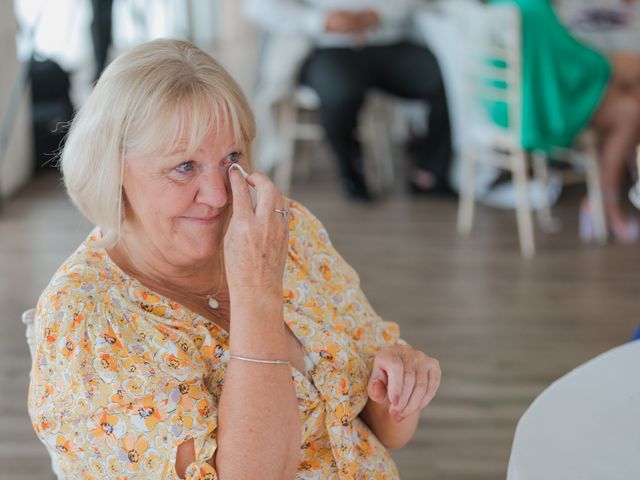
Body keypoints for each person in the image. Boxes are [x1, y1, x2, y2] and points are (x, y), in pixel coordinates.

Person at [27, 39, 441, 479]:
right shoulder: (87, 319)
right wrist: (257, 293)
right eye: (184, 166)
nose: (220, 195)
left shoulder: (283, 227)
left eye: (231, 158)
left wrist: (400, 384)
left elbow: (386, 430)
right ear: (113, 168)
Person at [245, 0, 453, 201]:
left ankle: (430, 169)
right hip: (326, 45)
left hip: (388, 41)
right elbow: (258, 6)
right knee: (340, 95)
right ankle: (350, 168)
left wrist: (377, 13)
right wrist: (320, 20)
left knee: (448, 81)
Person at [491, 0, 640, 242]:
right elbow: (569, 61)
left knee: (630, 96)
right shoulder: (533, 8)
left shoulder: (504, 5)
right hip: (533, 106)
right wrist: (612, 64)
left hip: (503, 100)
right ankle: (607, 201)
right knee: (631, 105)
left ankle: (606, 198)